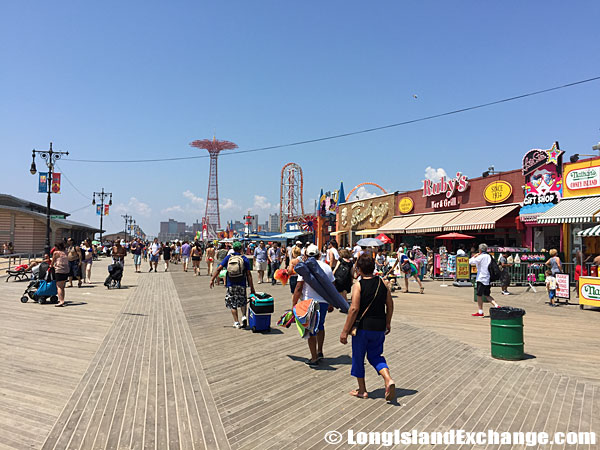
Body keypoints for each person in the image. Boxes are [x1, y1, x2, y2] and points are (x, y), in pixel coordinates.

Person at [340, 253, 395, 401]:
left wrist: (345, 331)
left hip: (362, 329)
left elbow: (354, 309)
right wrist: (388, 322)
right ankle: (388, 379)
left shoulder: (358, 285)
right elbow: (390, 305)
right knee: (376, 356)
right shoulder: (382, 283)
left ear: (359, 269)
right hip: (379, 327)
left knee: (358, 358)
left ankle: (362, 390)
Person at [292, 244, 335, 366]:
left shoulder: (305, 268)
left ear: (305, 255)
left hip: (309, 302)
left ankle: (314, 357)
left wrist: (294, 304)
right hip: (323, 302)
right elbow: (332, 287)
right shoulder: (326, 267)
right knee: (320, 326)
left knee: (310, 329)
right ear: (319, 255)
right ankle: (320, 351)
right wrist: (331, 302)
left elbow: (299, 287)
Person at [209, 241, 255, 329]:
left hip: (230, 283)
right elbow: (249, 274)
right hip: (241, 283)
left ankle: (236, 322)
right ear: (241, 249)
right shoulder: (244, 259)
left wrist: (212, 279)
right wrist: (252, 287)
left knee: (232, 303)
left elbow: (219, 268)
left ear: (233, 249)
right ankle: (244, 316)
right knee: (243, 301)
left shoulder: (228, 257)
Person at [469, 243, 500, 317]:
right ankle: (496, 306)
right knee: (487, 294)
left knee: (479, 295)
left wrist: (474, 256)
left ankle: (480, 311)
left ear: (479, 250)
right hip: (488, 278)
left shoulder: (481, 257)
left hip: (481, 278)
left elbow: (470, 262)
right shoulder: (489, 256)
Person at [51, 241, 70, 307]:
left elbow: (52, 261)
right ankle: (62, 300)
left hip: (59, 270)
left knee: (59, 286)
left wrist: (51, 266)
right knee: (62, 286)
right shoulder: (66, 252)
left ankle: (61, 301)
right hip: (66, 270)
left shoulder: (56, 253)